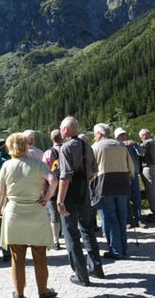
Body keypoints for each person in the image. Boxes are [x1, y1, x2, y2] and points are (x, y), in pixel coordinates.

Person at [0, 132, 58, 298]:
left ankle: (19, 293)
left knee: (17, 257)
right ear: (25, 145)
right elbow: (54, 180)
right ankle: (43, 291)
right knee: (39, 254)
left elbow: (1, 191)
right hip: (36, 212)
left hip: (14, 212)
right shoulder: (38, 164)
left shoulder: (6, 166)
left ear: (10, 147)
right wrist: (46, 197)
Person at [57, 116, 104, 287]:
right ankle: (96, 268)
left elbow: (65, 177)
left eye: (62, 128)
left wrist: (60, 201)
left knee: (71, 235)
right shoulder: (87, 146)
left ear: (66, 130)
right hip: (85, 191)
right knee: (87, 229)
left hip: (70, 194)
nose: (61, 131)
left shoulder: (65, 148)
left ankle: (81, 275)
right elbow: (94, 171)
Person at [92, 123, 134, 259]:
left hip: (105, 184)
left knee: (110, 219)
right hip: (122, 183)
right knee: (122, 218)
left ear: (99, 134)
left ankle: (116, 250)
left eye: (94, 134)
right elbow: (131, 167)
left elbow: (91, 171)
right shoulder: (120, 145)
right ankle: (124, 248)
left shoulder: (95, 147)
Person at [115, 128, 145, 228]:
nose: (123, 137)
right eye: (121, 135)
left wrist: (136, 144)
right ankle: (128, 220)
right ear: (116, 137)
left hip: (134, 174)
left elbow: (142, 153)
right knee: (125, 198)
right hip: (122, 175)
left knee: (136, 197)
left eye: (124, 134)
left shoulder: (132, 145)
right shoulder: (115, 146)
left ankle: (139, 219)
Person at [42, 129, 64, 250]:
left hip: (53, 186)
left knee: (54, 214)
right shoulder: (68, 149)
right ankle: (69, 235)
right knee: (67, 211)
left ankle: (56, 241)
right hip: (67, 185)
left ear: (52, 139)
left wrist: (44, 189)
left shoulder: (47, 153)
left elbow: (43, 172)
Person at [139, 128, 155, 222]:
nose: (141, 138)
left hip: (148, 168)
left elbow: (140, 152)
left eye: (141, 136)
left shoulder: (146, 143)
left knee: (151, 192)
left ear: (144, 135)